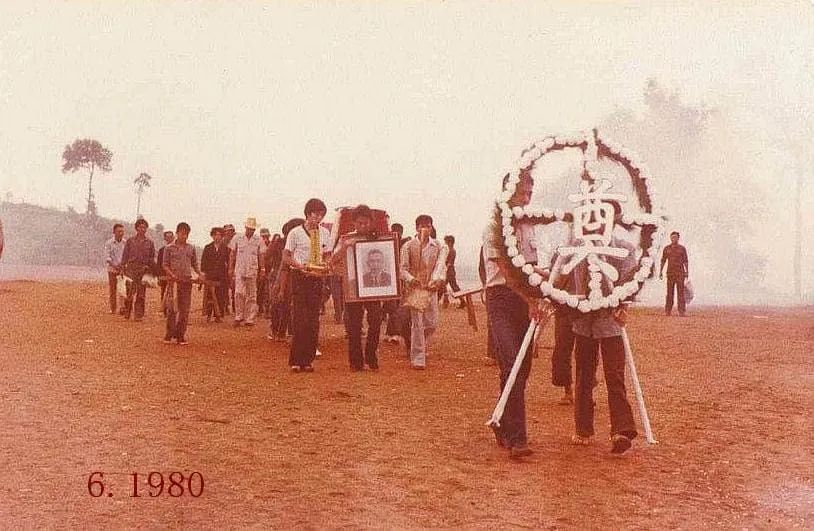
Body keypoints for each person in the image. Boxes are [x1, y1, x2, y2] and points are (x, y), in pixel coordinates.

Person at [482, 171, 548, 459]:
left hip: (525, 301)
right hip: (502, 300)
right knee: (511, 361)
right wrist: (530, 299)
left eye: (530, 194)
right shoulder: (493, 228)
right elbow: (508, 274)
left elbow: (530, 268)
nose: (526, 198)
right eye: (522, 193)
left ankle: (502, 422)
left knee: (521, 369)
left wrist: (551, 277)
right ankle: (518, 439)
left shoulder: (529, 228)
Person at [331, 205, 384, 371]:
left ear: (371, 222)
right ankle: (356, 361)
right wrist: (347, 246)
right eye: (360, 223)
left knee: (375, 320)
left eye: (366, 223)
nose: (363, 226)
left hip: (372, 286)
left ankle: (371, 354)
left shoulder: (378, 237)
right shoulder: (346, 238)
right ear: (354, 222)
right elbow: (333, 259)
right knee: (354, 324)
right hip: (352, 285)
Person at [284, 199, 331, 372]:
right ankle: (296, 360)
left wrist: (326, 265)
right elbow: (286, 256)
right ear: (308, 214)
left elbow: (327, 254)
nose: (318, 218)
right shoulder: (295, 233)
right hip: (300, 276)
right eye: (315, 214)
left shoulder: (324, 233)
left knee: (313, 319)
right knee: (300, 319)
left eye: (321, 215)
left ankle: (308, 360)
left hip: (316, 278)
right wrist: (299, 266)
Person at [400, 214, 448, 370]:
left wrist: (437, 280)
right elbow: (402, 269)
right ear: (416, 228)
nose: (425, 229)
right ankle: (418, 358)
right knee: (417, 324)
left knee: (432, 323)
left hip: (430, 288)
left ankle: (416, 342)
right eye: (422, 226)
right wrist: (410, 279)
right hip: (415, 289)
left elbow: (441, 266)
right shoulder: (408, 246)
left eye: (428, 226)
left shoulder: (440, 246)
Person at [162, 222, 202, 345]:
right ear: (177, 233)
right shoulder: (169, 248)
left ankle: (180, 335)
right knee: (172, 309)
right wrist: (171, 274)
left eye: (186, 234)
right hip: (173, 282)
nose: (184, 236)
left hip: (186, 281)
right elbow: (164, 264)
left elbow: (194, 264)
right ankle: (169, 334)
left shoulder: (191, 248)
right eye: (182, 233)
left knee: (185, 310)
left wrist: (200, 274)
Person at [268, 219, 303, 342]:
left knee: (288, 306)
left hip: (291, 277)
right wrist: (281, 288)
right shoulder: (282, 244)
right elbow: (283, 268)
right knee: (282, 305)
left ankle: (289, 332)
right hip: (283, 277)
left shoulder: (299, 244)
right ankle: (279, 331)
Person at [229, 217, 265, 327]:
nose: (251, 230)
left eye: (253, 229)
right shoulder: (237, 238)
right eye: (249, 228)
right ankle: (239, 316)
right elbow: (232, 253)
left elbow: (261, 255)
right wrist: (230, 268)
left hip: (253, 270)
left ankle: (249, 319)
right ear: (245, 227)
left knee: (252, 295)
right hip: (239, 269)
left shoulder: (259, 240)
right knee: (238, 293)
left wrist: (262, 269)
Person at [121, 218, 156, 321]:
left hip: (143, 269)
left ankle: (138, 315)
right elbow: (125, 255)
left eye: (144, 227)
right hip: (131, 269)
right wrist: (123, 268)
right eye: (140, 227)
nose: (143, 229)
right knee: (129, 293)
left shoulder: (150, 242)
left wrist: (149, 269)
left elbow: (152, 257)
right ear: (136, 228)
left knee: (141, 294)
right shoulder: (130, 241)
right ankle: (127, 313)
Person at [201, 227, 229, 322]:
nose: (217, 237)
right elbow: (203, 262)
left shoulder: (226, 249)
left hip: (222, 276)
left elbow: (229, 262)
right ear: (212, 236)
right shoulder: (207, 248)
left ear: (222, 236)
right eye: (215, 235)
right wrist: (204, 273)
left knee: (220, 295)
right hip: (210, 275)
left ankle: (218, 316)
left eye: (219, 235)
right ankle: (208, 314)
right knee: (209, 296)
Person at [659, 231, 689, 316]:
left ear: (678, 238)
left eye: (675, 237)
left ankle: (681, 311)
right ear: (670, 238)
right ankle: (668, 311)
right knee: (669, 293)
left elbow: (686, 261)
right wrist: (661, 271)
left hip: (680, 273)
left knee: (681, 293)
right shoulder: (667, 248)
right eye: (672, 237)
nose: (673, 239)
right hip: (670, 274)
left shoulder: (682, 248)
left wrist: (687, 272)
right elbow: (663, 260)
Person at [104, 223, 126, 314]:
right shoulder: (109, 243)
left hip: (123, 269)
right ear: (114, 232)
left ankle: (122, 308)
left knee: (122, 289)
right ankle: (113, 308)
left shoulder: (126, 243)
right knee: (113, 289)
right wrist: (115, 265)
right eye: (119, 231)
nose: (121, 233)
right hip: (112, 270)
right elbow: (107, 257)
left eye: (122, 231)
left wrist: (122, 266)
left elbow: (127, 256)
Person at [440, 235, 465, 309]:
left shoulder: (451, 251)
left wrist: (444, 270)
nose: (445, 243)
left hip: (449, 271)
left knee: (445, 287)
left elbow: (449, 263)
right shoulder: (451, 250)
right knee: (451, 287)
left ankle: (446, 301)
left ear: (450, 242)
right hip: (450, 271)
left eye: (446, 242)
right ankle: (462, 301)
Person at [156, 230, 175, 316]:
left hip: (175, 274)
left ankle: (173, 310)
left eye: (171, 237)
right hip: (164, 274)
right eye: (167, 237)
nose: (169, 239)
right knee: (164, 292)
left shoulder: (176, 248)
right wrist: (159, 276)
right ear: (165, 238)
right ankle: (164, 311)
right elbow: (159, 264)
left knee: (174, 293)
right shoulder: (161, 250)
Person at [257, 228, 272, 318]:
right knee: (259, 290)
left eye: (266, 236)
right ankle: (260, 309)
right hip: (259, 271)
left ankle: (267, 310)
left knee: (267, 291)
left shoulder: (272, 245)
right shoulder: (257, 245)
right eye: (263, 236)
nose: (265, 238)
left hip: (269, 271)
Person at [222, 223, 236, 315]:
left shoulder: (237, 240)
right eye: (228, 231)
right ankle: (225, 307)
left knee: (236, 288)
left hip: (236, 267)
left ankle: (235, 307)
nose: (229, 233)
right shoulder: (222, 242)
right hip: (224, 268)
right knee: (224, 288)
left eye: (231, 231)